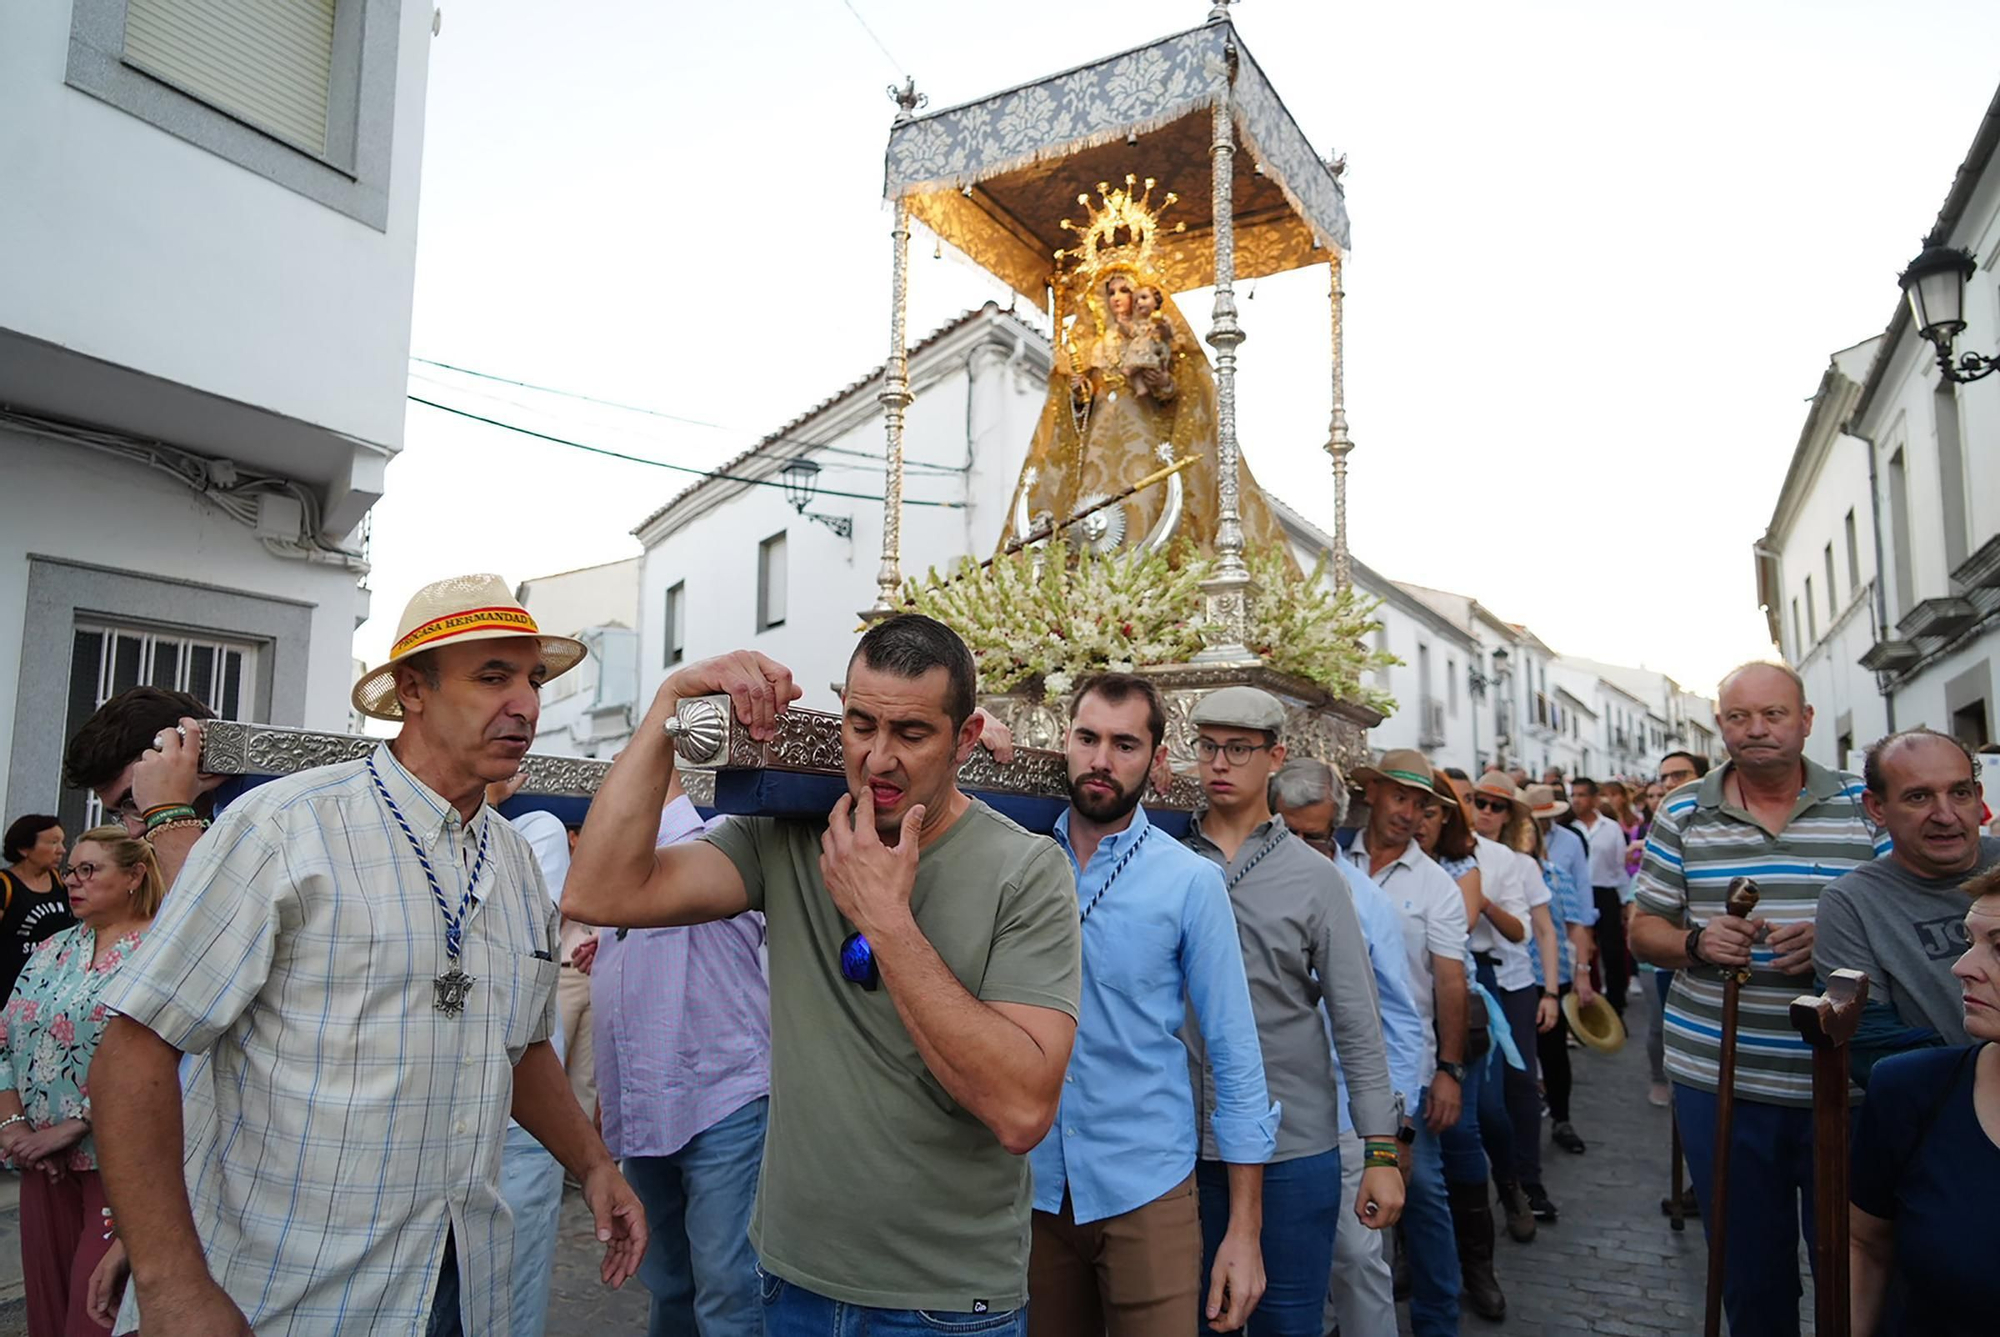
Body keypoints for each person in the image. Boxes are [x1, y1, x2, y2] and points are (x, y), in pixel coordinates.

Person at [89, 574, 645, 1336]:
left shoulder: (516, 862)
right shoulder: (285, 828)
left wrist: (592, 1163)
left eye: (532, 677)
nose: (525, 702)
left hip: (458, 1281)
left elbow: (516, 1048)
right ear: (412, 689)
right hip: (284, 1290)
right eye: (492, 676)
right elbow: (134, 1052)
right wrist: (171, 1278)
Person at [562, 614, 1082, 1335]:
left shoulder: (1026, 870)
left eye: (911, 733)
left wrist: (887, 922)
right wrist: (668, 707)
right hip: (792, 1278)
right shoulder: (791, 835)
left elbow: (1022, 1110)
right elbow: (601, 891)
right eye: (861, 723)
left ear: (965, 740)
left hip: (945, 1300)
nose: (878, 758)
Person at [1630, 662, 1887, 1337]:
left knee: (1852, 1271)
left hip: (1849, 1084)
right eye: (1740, 717)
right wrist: (1696, 942)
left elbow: (1904, 925)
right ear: (1720, 726)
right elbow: (1643, 929)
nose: (1757, 729)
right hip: (1722, 1081)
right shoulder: (1682, 809)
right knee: (1749, 1274)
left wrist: (1836, 945)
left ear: (1805, 720)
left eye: (1773, 714)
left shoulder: (1868, 805)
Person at [1030, 674, 1277, 1337]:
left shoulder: (1190, 881)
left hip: (1147, 1186)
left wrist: (1245, 1231)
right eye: (1087, 738)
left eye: (1124, 743)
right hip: (1030, 1190)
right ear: (1064, 741)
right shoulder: (1020, 861)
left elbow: (1235, 1050)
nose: (1101, 760)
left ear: (1156, 759)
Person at [1181, 688, 1401, 1337]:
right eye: (1208, 746)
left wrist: (1381, 1151)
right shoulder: (1167, 861)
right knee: (1196, 1320)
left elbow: (1358, 1021)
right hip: (1184, 1145)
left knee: (1287, 1321)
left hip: (1294, 1146)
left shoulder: (1315, 877)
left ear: (1275, 755)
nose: (1220, 762)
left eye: (1239, 749)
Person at [594, 768, 769, 1337]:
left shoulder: (719, 842)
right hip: (646, 1107)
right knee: (669, 1284)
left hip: (724, 1103)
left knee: (728, 1289)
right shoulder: (618, 871)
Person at [1267, 759, 1430, 1337]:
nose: (1309, 848)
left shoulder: (1364, 903)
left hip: (1347, 1120)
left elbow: (1402, 1023)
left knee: (1358, 1259)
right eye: (1293, 834)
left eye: (1320, 836)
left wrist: (1396, 1132)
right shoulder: (1247, 881)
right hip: (1271, 1114)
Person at [0, 826, 159, 1336]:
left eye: (90, 870)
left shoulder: (158, 950)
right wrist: (13, 1126)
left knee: (94, 1318)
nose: (73, 880)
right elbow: (4, 1039)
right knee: (45, 1314)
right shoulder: (52, 949)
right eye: (71, 870)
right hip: (41, 1162)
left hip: (120, 1164)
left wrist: (77, 1124)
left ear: (135, 875)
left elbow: (169, 1059)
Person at [1338, 750, 1470, 1335]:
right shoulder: (1333, 856)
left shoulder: (1436, 885)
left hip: (1402, 1066)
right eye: (1400, 797)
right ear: (1373, 795)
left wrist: (1447, 1070)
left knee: (1422, 1194)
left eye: (1420, 804)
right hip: (1334, 1062)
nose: (1409, 812)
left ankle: (1440, 1318)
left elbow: (1449, 981)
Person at [1849, 862, 2000, 1336]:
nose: (1962, 966)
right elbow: (1864, 1246)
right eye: (1970, 940)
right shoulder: (1911, 1091)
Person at [1815, 729, 2000, 1083]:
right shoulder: (1852, 903)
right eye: (1919, 797)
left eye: (1960, 793)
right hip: (1944, 1120)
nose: (1945, 815)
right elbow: (1872, 1047)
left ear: (1978, 797)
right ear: (1876, 808)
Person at [1463, 773, 1560, 1244]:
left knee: (1518, 1085)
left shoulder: (1517, 863)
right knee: (1478, 1097)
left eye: (1495, 806)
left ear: (1509, 815)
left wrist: (1552, 991)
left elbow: (1540, 930)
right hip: (1464, 979)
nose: (1485, 811)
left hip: (1513, 981)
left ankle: (1525, 1180)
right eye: (1477, 802)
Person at [60, 687, 222, 898]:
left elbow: (205, 920)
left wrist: (169, 812)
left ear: (194, 751)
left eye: (135, 800)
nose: (133, 832)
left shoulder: (270, 820)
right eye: (119, 814)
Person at [1525, 784, 1596, 1165]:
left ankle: (1561, 1118)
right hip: (1516, 977)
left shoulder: (1556, 871)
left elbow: (1576, 924)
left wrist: (1582, 974)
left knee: (1554, 1054)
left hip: (1551, 975)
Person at [1645, 751, 1710, 1108]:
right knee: (1661, 1025)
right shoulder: (1662, 829)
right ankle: (1662, 1078)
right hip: (1669, 954)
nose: (1669, 784)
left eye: (1679, 775)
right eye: (1664, 777)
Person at [1569, 777, 1633, 1022]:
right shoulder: (1570, 829)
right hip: (1577, 895)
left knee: (1612, 950)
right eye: (1573, 794)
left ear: (1595, 798)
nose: (1576, 800)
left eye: (1582, 795)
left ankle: (1616, 1005)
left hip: (1604, 892)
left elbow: (1619, 866)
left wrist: (1624, 900)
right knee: (1580, 950)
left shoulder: (1611, 827)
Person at [0, 815, 71, 1004]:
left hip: (49, 990)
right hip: (8, 994)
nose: (62, 850)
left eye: (62, 842)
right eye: (53, 842)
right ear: (24, 849)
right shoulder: (5, 885)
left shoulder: (62, 883)